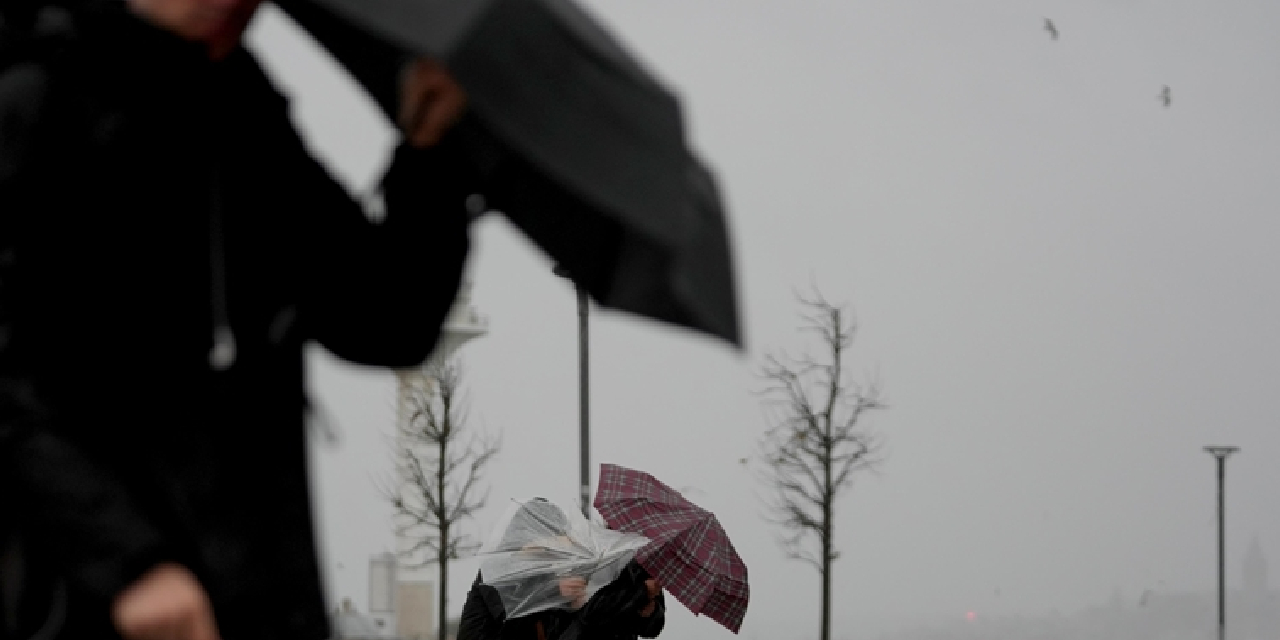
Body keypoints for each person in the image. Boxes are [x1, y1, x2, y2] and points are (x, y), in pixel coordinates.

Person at [0, 0, 479, 638]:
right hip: (82, 599)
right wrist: (127, 563)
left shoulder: (239, 107)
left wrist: (429, 154)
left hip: (254, 595)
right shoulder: (34, 92)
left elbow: (384, 317)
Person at [459, 499, 665, 640]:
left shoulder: (641, 564)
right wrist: (558, 592)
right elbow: (514, 608)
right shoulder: (498, 569)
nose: (555, 542)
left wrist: (649, 612)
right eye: (550, 534)